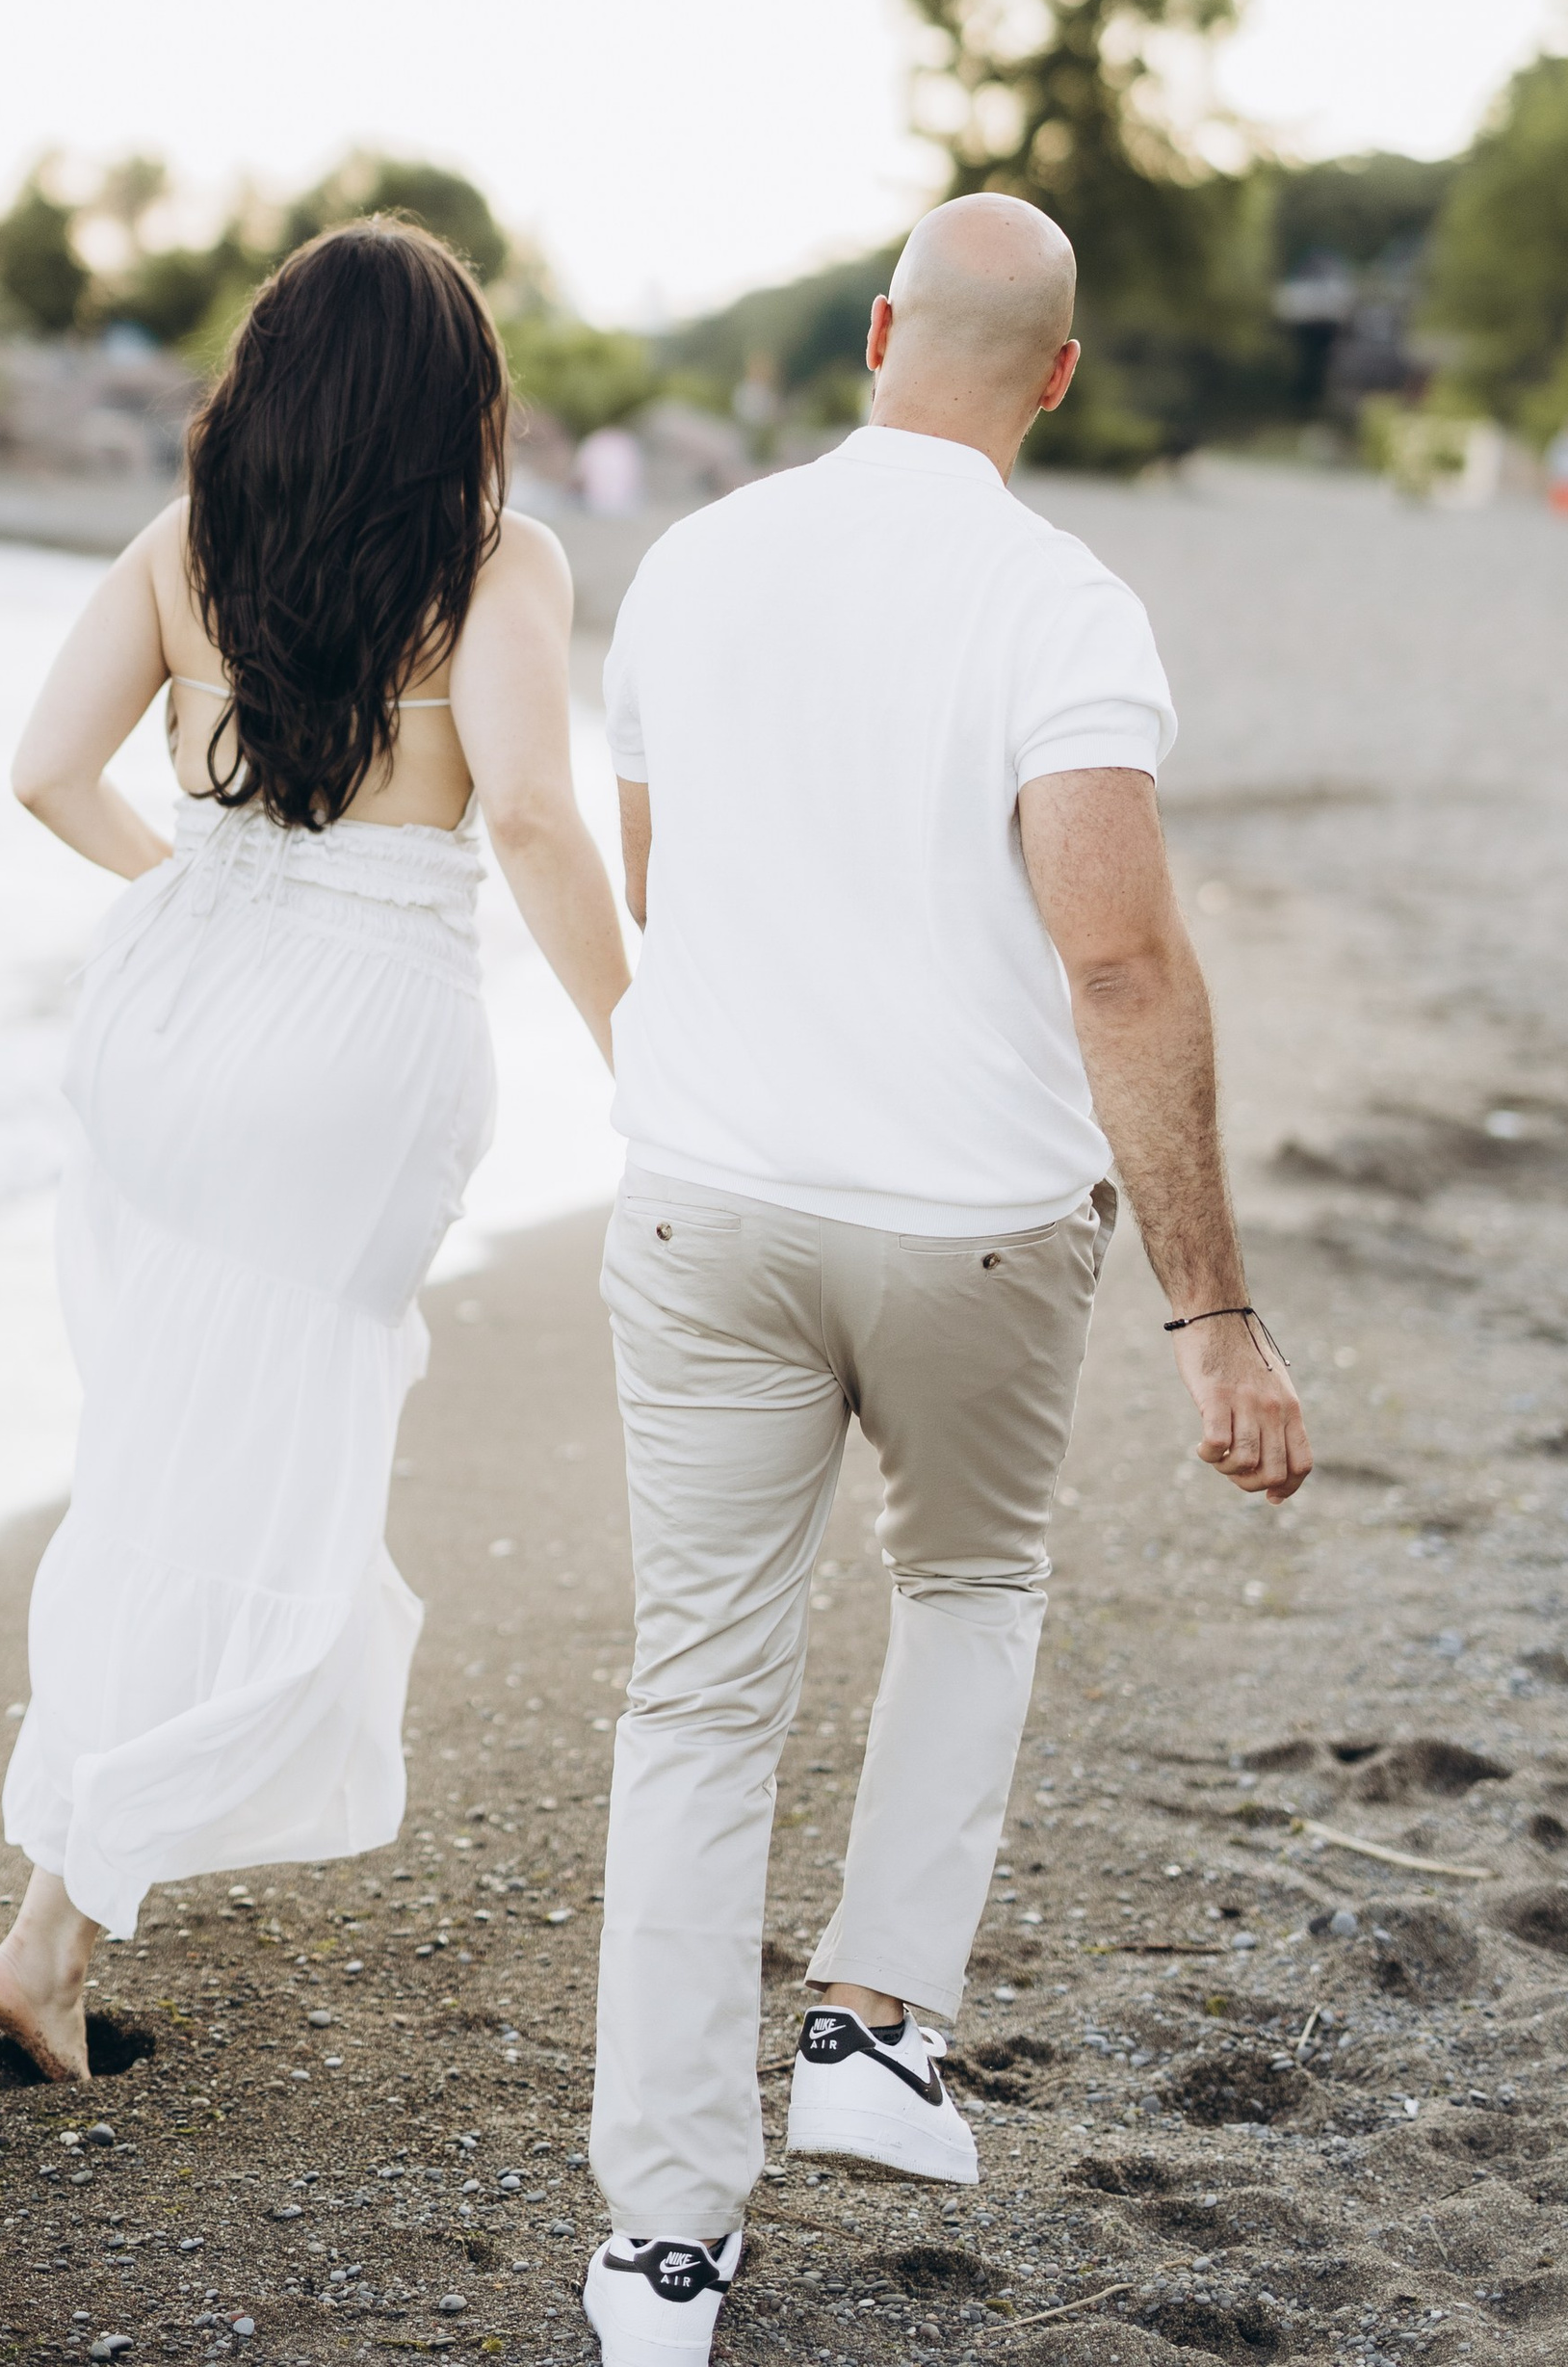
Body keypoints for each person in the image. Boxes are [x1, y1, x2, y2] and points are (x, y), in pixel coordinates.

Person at [578, 195, 1312, 2367]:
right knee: (969, 1589)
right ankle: (869, 2032)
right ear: (1055, 377)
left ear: (877, 332)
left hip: (701, 1206)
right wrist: (1211, 1310)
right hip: (970, 1230)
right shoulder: (1055, 599)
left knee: (697, 1704)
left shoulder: (693, 562)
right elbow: (1113, 954)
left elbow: (660, 887)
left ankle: (659, 2252)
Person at [0, 220, 632, 2081]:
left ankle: (62, 1900)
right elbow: (524, 810)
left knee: (165, 1439)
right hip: (352, 1042)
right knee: (246, 1467)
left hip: (166, 1022)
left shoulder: (186, 545)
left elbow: (42, 772)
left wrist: (194, 885)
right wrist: (636, 1039)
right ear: (459, 397)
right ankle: (56, 1920)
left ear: (265, 373)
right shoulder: (498, 561)